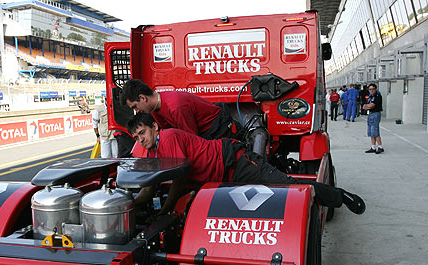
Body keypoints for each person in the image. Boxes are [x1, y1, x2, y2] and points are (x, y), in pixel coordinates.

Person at [128, 113, 366, 216]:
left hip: (237, 162)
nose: (141, 140)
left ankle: (340, 197)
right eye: (137, 138)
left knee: (290, 187)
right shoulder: (151, 150)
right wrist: (130, 204)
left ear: (155, 127)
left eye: (143, 133)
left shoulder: (168, 137)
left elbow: (179, 180)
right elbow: (149, 186)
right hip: (219, 179)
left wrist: (166, 209)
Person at [121, 78, 242, 140]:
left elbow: (192, 141)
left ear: (143, 98)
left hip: (218, 130)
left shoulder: (175, 107)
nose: (136, 111)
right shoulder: (155, 108)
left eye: (135, 107)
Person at [362, 83, 384, 154]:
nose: (371, 90)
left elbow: (372, 105)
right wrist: (367, 106)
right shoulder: (370, 96)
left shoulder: (377, 96)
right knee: (371, 132)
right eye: (370, 89)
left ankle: (380, 147)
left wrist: (367, 106)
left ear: (375, 89)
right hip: (370, 114)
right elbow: (365, 105)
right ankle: (373, 147)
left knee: (375, 131)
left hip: (375, 114)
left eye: (372, 89)